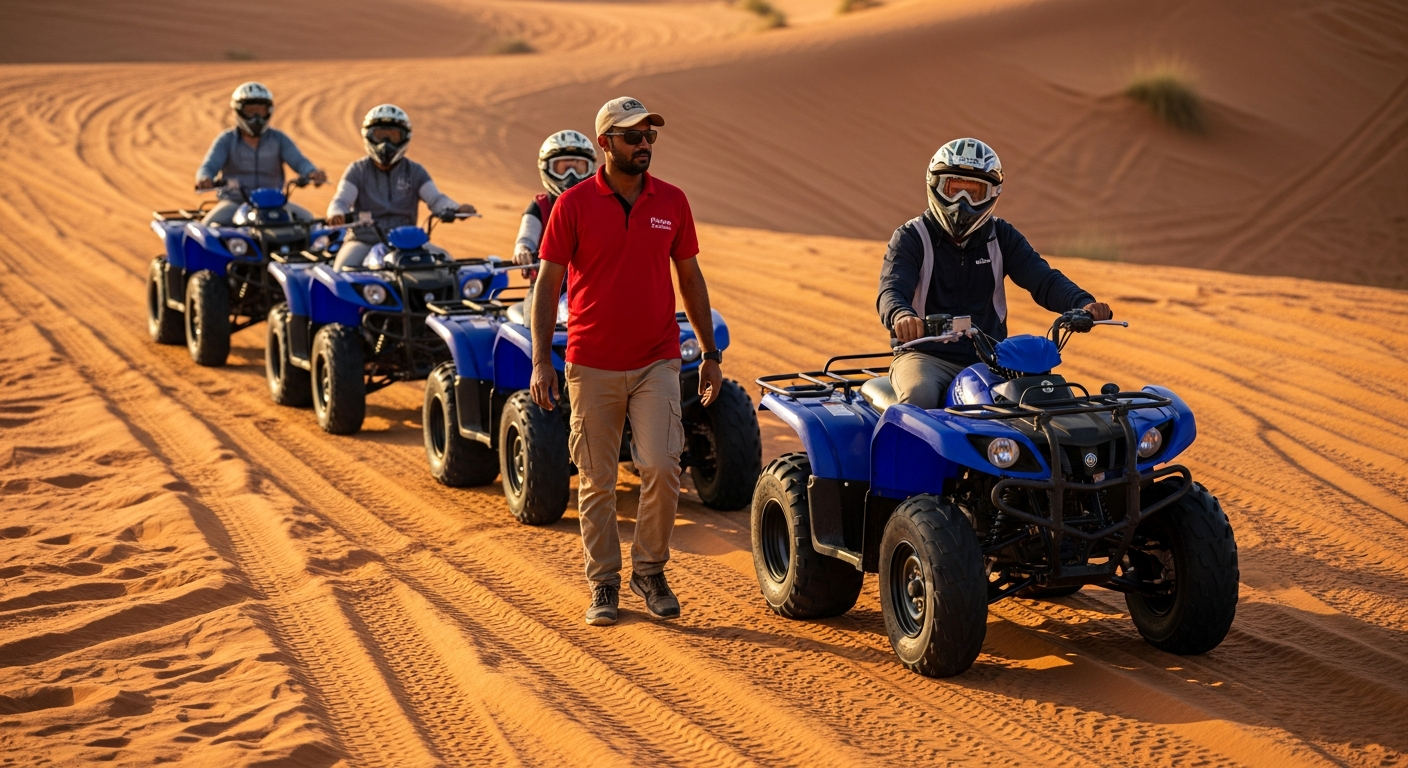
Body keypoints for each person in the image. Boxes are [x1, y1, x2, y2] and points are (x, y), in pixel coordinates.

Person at [530, 97, 723, 627]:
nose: (644, 144)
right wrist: (541, 360)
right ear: (605, 143)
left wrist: (709, 353)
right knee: (597, 479)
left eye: (649, 135)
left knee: (662, 466)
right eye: (632, 135)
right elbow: (547, 284)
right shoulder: (573, 205)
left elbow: (690, 278)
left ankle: (650, 571)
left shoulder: (672, 201)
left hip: (657, 359)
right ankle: (604, 582)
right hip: (591, 361)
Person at [876, 138, 1113, 408]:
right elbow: (892, 289)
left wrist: (1082, 302)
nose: (962, 201)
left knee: (1039, 404)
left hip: (990, 359)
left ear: (992, 194)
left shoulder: (1001, 236)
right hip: (926, 356)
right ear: (936, 185)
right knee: (920, 396)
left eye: (974, 192)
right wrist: (901, 316)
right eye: (954, 189)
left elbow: (1043, 279)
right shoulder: (911, 237)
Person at [326, 104, 477, 269]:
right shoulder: (357, 170)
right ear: (368, 136)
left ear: (404, 138)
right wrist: (336, 213)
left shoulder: (415, 171)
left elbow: (435, 198)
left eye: (393, 136)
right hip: (364, 240)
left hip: (408, 243)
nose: (385, 144)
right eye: (379, 136)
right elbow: (342, 199)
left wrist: (455, 208)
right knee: (342, 270)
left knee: (447, 265)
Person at [195, 82, 326, 225]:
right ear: (238, 111)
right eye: (251, 111)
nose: (256, 117)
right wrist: (204, 178)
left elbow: (300, 162)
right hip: (235, 203)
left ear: (269, 111)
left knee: (309, 222)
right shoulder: (226, 140)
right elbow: (209, 166)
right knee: (207, 228)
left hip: (274, 204)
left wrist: (312, 173)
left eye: (261, 111)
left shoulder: (279, 139)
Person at [513, 130, 598, 325]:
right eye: (563, 168)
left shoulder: (599, 206)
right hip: (546, 286)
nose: (571, 176)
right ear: (546, 169)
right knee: (534, 324)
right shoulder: (539, 206)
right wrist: (523, 249)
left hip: (591, 285)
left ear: (591, 169)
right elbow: (527, 235)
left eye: (578, 167)